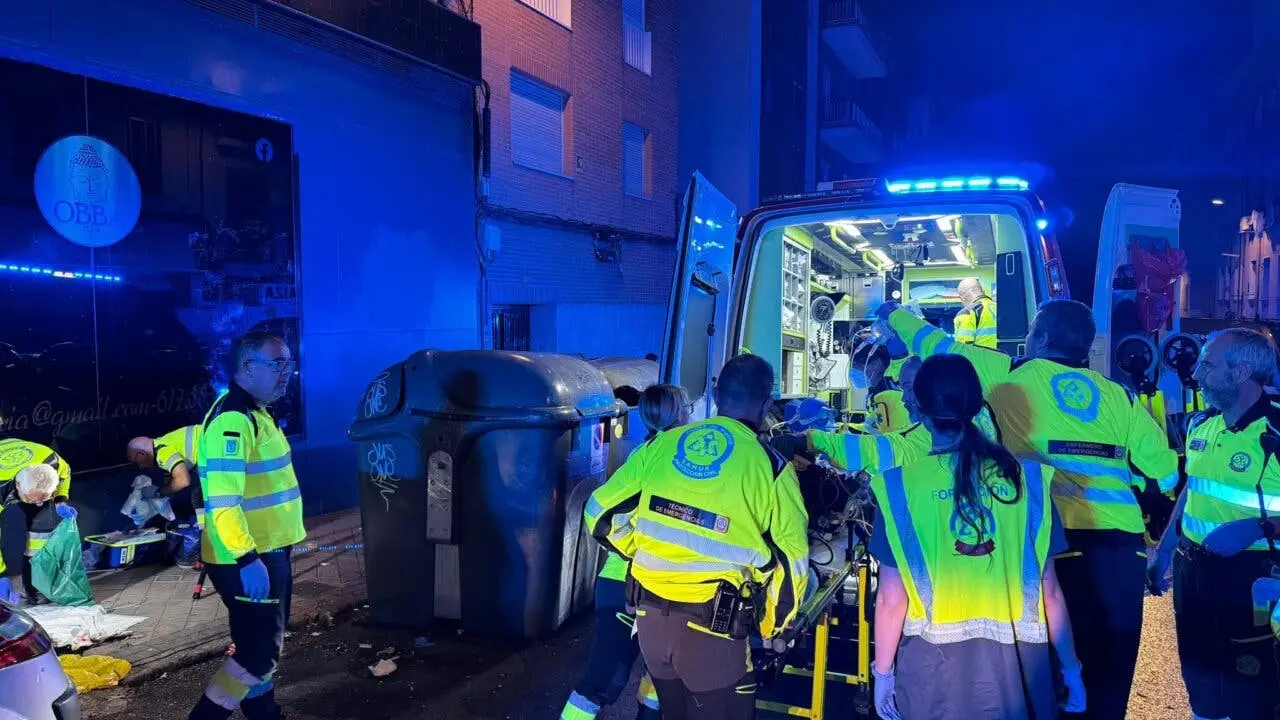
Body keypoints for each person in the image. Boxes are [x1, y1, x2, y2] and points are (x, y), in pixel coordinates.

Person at [879, 299, 1178, 720]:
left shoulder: (1008, 375)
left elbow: (935, 344)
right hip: (1119, 548)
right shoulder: (1121, 398)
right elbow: (1165, 472)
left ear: (1042, 337)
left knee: (1050, 668)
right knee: (1111, 668)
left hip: (1050, 543)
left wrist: (892, 313)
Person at [584, 354, 810, 719]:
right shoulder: (771, 467)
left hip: (651, 625)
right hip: (713, 633)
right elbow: (793, 563)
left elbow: (598, 512)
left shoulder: (660, 446)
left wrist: (638, 550)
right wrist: (772, 627)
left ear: (716, 394)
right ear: (767, 404)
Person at [869, 354, 1085, 719]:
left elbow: (892, 599)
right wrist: (1071, 669)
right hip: (1020, 671)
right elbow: (1049, 591)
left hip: (933, 675)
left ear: (920, 410)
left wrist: (884, 674)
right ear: (975, 404)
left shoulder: (897, 487)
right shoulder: (1029, 480)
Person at [1147, 327, 1280, 720]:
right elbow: (1193, 488)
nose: (1197, 374)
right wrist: (1165, 550)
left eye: (1208, 364)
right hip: (1192, 570)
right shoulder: (1201, 423)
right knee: (1200, 680)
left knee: (1252, 688)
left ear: (1241, 372)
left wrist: (1260, 527)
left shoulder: (1275, 428)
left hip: (1253, 576)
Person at [188, 330, 304, 720]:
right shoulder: (234, 421)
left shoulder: (255, 411)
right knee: (258, 653)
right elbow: (224, 503)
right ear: (248, 367)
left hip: (265, 551)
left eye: (288, 362)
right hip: (250, 557)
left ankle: (264, 714)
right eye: (277, 363)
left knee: (258, 644)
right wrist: (247, 558)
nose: (287, 371)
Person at [562, 384, 689, 720]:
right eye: (687, 407)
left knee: (659, 677)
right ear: (679, 414)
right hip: (628, 586)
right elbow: (601, 512)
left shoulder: (658, 458)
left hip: (653, 587)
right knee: (605, 680)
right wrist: (634, 554)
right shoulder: (656, 461)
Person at [0, 439, 76, 604]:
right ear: (18, 487)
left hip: (29, 459)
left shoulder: (52, 461)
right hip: (5, 478)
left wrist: (60, 499)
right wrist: (2, 574)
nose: (40, 504)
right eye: (33, 499)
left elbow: (65, 474)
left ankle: (38, 586)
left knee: (42, 533)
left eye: (43, 498)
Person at [129, 425, 205, 525]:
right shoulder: (162, 446)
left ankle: (207, 529)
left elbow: (183, 480)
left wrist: (159, 493)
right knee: (199, 497)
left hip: (214, 447)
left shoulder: (162, 452)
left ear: (142, 454)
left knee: (199, 498)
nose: (140, 467)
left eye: (136, 462)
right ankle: (205, 529)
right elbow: (170, 486)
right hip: (211, 446)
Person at [954, 278, 997, 349]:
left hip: (982, 356)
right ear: (983, 291)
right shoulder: (1000, 308)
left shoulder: (967, 313)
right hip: (1005, 355)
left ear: (962, 298)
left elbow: (963, 348)